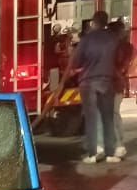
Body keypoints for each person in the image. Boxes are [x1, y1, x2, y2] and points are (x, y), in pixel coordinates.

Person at [52, 10, 121, 163]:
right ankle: (110, 153)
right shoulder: (113, 39)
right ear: (106, 22)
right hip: (107, 81)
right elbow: (118, 60)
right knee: (107, 117)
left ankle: (94, 153)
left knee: (91, 117)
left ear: (93, 22)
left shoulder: (86, 40)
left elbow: (75, 62)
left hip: (88, 82)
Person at [110, 18, 133, 159]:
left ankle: (118, 145)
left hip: (114, 84)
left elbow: (120, 66)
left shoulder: (121, 48)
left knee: (112, 115)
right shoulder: (126, 47)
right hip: (117, 84)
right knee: (114, 114)